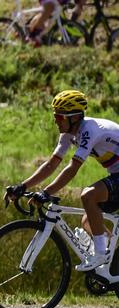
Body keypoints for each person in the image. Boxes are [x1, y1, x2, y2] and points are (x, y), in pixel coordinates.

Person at [6, 90, 118, 272]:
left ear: (73, 117)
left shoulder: (89, 130)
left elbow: (72, 169)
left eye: (59, 117)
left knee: (88, 196)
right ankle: (111, 263)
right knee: (88, 221)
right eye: (55, 116)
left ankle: (101, 253)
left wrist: (46, 193)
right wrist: (23, 186)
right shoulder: (68, 134)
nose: (55, 121)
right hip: (117, 174)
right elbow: (51, 165)